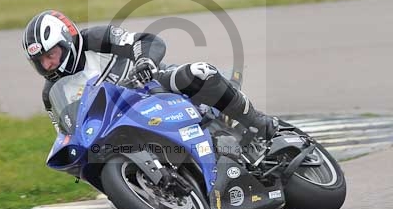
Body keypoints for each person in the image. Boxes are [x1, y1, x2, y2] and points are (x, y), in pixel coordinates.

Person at [22, 9, 277, 141]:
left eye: (51, 54)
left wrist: (144, 61)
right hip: (119, 123)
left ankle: (255, 120)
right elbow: (65, 130)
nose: (48, 64)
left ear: (67, 41)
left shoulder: (96, 40)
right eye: (40, 61)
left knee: (198, 72)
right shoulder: (51, 94)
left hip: (150, 87)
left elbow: (146, 41)